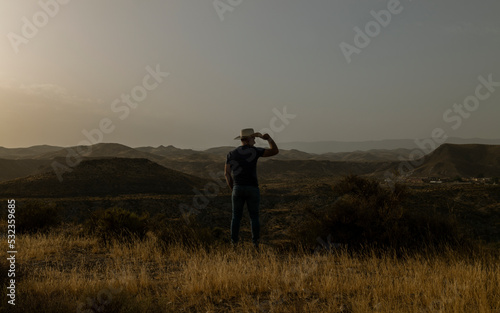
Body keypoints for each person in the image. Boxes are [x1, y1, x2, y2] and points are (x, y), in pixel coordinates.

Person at [225, 128, 279, 249]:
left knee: (235, 217)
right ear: (248, 139)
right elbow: (275, 151)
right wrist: (268, 139)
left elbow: (227, 173)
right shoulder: (254, 151)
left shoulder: (231, 153)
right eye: (253, 138)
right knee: (254, 217)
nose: (255, 140)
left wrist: (232, 188)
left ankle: (234, 245)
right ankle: (256, 245)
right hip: (252, 188)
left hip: (237, 188)